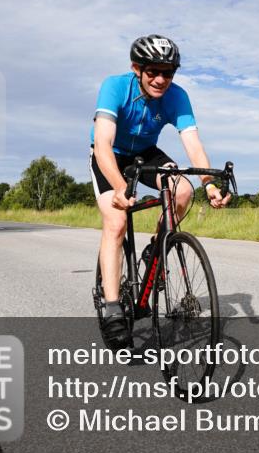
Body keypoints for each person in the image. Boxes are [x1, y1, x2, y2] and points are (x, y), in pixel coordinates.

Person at [91, 34, 231, 349]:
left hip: (146, 153)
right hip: (110, 155)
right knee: (116, 223)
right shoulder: (115, 87)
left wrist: (208, 184)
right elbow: (102, 145)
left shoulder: (177, 96)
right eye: (152, 71)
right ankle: (112, 307)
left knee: (182, 190)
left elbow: (192, 143)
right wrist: (118, 187)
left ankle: (157, 246)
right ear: (136, 69)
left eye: (167, 72)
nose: (160, 79)